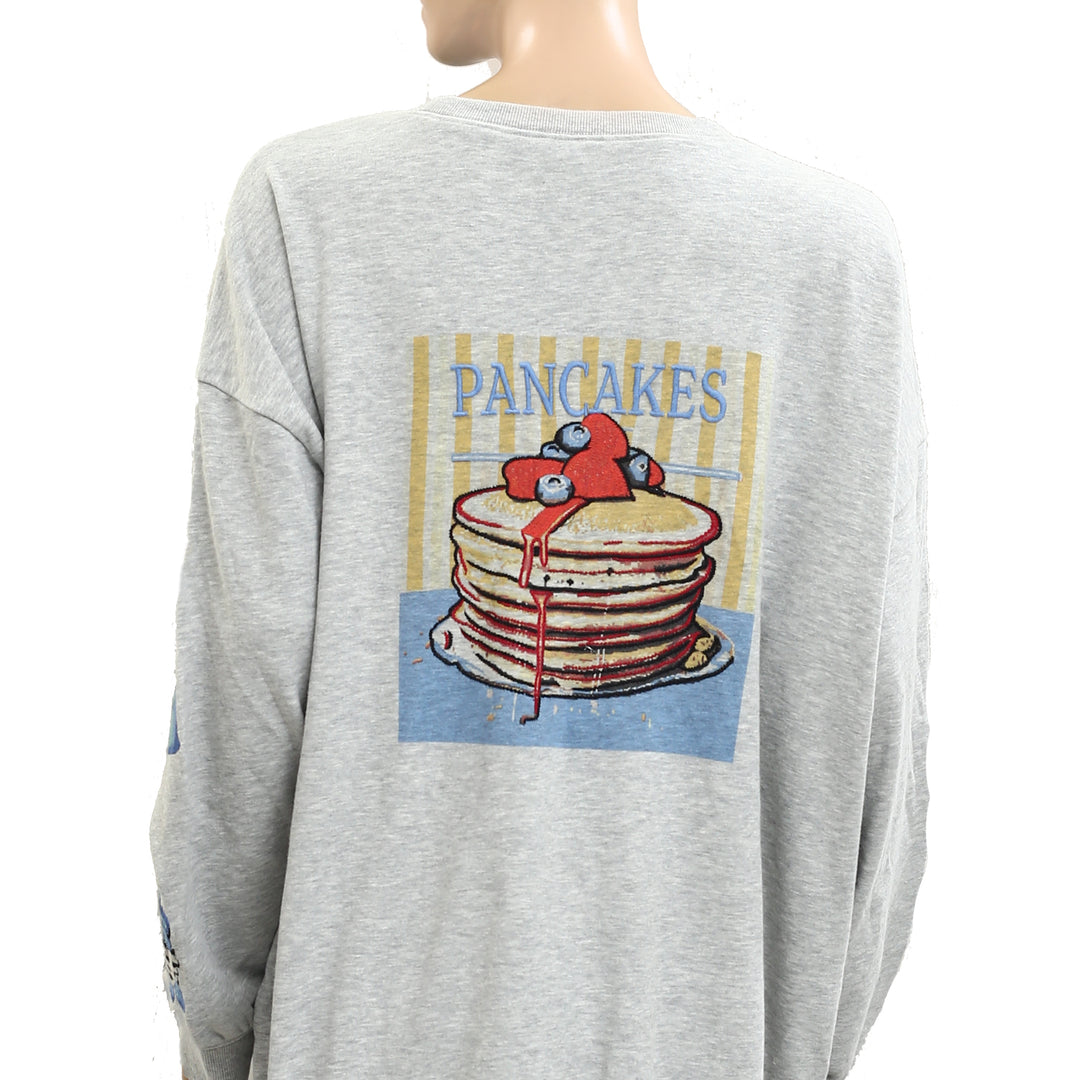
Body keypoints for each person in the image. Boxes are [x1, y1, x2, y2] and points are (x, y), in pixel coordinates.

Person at [149, 2, 931, 1078]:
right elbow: (881, 751)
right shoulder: (836, 254)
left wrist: (218, 1033)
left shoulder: (310, 210)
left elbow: (238, 701)